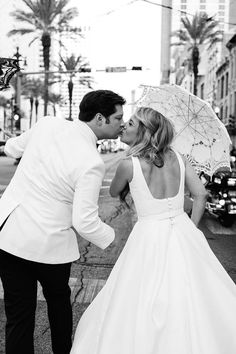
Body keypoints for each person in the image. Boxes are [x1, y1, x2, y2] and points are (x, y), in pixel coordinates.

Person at [71, 107, 236, 354]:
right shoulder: (180, 159)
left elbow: (115, 192)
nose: (125, 125)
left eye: (132, 123)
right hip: (182, 229)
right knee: (193, 291)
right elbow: (200, 195)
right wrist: (190, 228)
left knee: (141, 293)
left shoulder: (129, 165)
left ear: (145, 131)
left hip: (148, 234)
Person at [0, 89, 126, 354]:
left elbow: (12, 147)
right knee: (59, 306)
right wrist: (118, 240)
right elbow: (85, 222)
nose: (121, 124)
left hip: (10, 237)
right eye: (118, 118)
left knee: (18, 317)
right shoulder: (91, 162)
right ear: (100, 119)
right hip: (50, 247)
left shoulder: (47, 124)